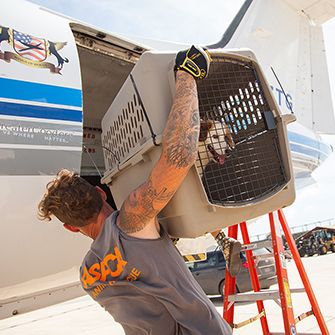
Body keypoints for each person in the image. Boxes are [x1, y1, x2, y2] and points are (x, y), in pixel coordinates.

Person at [38, 46, 235, 335]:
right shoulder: (132, 220)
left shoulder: (88, 275)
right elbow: (180, 154)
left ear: (70, 227)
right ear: (102, 193)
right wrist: (187, 74)